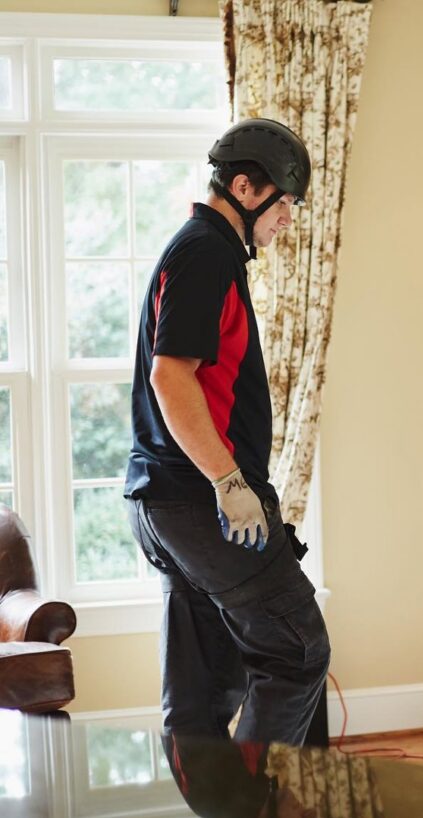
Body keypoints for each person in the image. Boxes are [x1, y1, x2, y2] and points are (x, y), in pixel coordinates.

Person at [124, 118, 329, 745]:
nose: (288, 218)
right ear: (246, 188)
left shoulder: (205, 251)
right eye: (287, 202)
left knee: (206, 685)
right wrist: (230, 481)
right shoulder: (206, 251)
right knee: (296, 651)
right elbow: (171, 376)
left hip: (170, 498)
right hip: (202, 499)